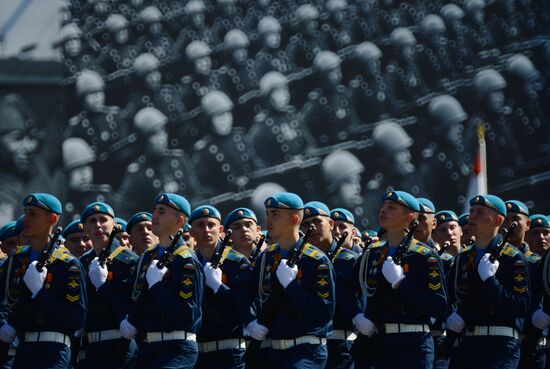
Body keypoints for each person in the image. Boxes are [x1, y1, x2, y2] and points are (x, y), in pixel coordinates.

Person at [354, 190, 447, 369]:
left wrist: (401, 284)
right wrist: (356, 316)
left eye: (391, 208)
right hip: (381, 344)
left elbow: (438, 306)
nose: (383, 211)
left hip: (414, 344)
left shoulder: (425, 255)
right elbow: (354, 287)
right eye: (383, 206)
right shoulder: (373, 253)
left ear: (409, 217)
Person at [243, 192, 335, 369]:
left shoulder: (316, 260)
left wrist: (292, 287)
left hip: (305, 352)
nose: (268, 219)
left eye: (275, 215)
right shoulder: (266, 258)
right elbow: (245, 292)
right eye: (268, 214)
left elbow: (324, 311)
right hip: (271, 352)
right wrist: (250, 320)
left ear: (294, 219)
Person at [0, 193, 86, 369]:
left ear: (52, 219)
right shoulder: (16, 260)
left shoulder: (67, 263)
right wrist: (2, 325)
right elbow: (4, 301)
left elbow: (76, 318)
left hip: (53, 352)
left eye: (33, 213)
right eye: (25, 212)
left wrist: (40, 293)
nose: (26, 218)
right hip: (22, 350)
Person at [446, 195, 529, 369]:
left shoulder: (513, 258)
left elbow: (520, 306)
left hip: (500, 347)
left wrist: (491, 281)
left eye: (480, 212)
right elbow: (449, 297)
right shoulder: (463, 258)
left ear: (498, 220)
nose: (472, 217)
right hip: (467, 345)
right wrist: (450, 315)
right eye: (471, 212)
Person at [121, 193, 203, 369]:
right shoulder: (148, 256)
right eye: (155, 210)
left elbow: (188, 317)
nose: (155, 216)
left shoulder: (186, 260)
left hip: (176, 348)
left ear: (179, 221)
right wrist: (132, 320)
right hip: (148, 348)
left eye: (162, 211)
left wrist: (157, 286)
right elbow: (140, 297)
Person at [189, 205, 250, 369]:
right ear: (191, 232)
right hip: (198, 354)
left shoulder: (237, 262)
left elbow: (245, 306)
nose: (206, 230)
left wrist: (219, 287)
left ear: (221, 229)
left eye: (211, 225)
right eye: (200, 225)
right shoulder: (187, 263)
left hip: (230, 352)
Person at [79, 202, 138, 369]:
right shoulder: (83, 262)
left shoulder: (129, 260)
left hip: (121, 344)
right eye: (92, 221)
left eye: (103, 219)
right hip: (92, 347)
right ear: (85, 229)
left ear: (114, 225)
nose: (98, 224)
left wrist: (103, 287)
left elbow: (130, 304)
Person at [301, 202, 360, 369]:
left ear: (330, 224)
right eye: (306, 224)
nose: (312, 227)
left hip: (343, 345)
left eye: (317, 221)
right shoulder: (300, 263)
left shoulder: (349, 260)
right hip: (309, 347)